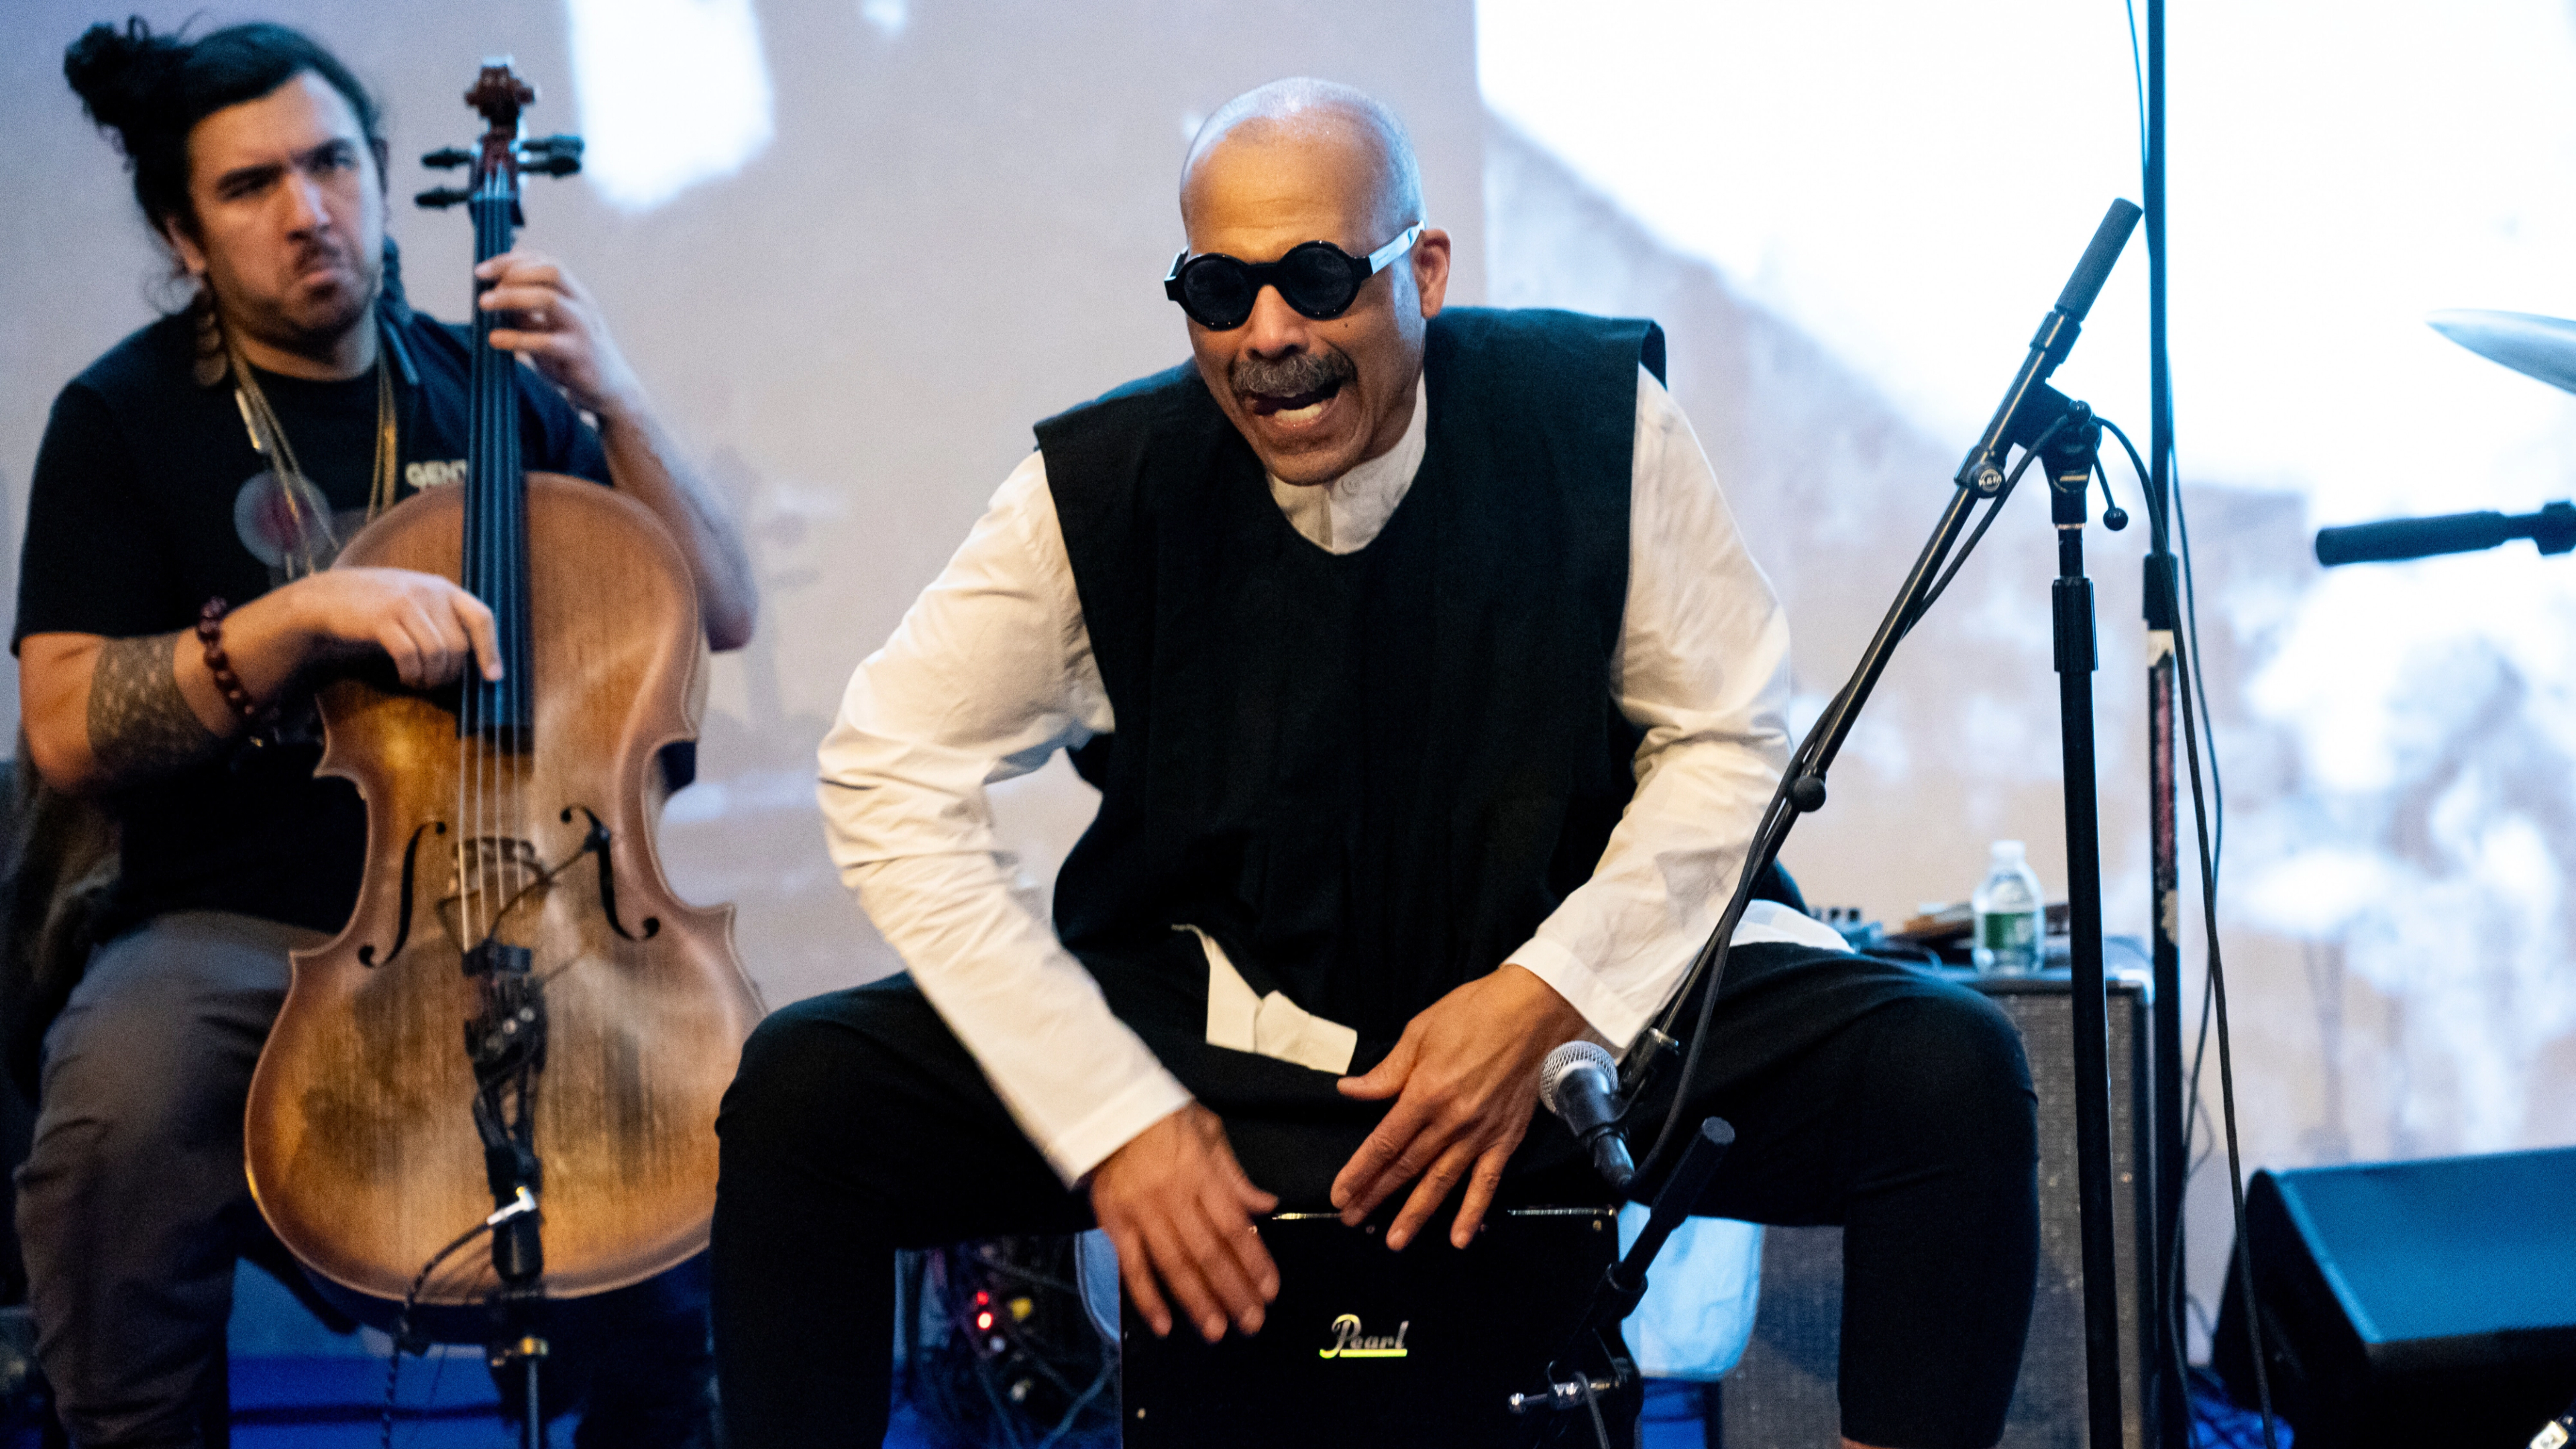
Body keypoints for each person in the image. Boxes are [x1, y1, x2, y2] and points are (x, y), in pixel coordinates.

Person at [713, 78, 2037, 1449]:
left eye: (1319, 278)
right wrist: (1110, 1113)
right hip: (1221, 1039)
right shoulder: (1103, 489)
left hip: (1561, 1032)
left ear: (1427, 270)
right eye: (1219, 292)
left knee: (1948, 1076)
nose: (1268, 337)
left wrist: (1546, 999)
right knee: (807, 1098)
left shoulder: (1593, 425)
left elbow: (1726, 743)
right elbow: (885, 770)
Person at [12, 19, 757, 1448]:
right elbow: (60, 727)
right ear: (182, 231)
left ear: (373, 171)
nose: (307, 212)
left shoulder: (492, 391)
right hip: (232, 922)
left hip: (539, 894)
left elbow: (712, 615)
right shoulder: (121, 420)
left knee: (705, 1130)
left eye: (331, 163)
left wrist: (615, 393)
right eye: (249, 188)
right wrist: (301, 622)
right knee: (116, 1122)